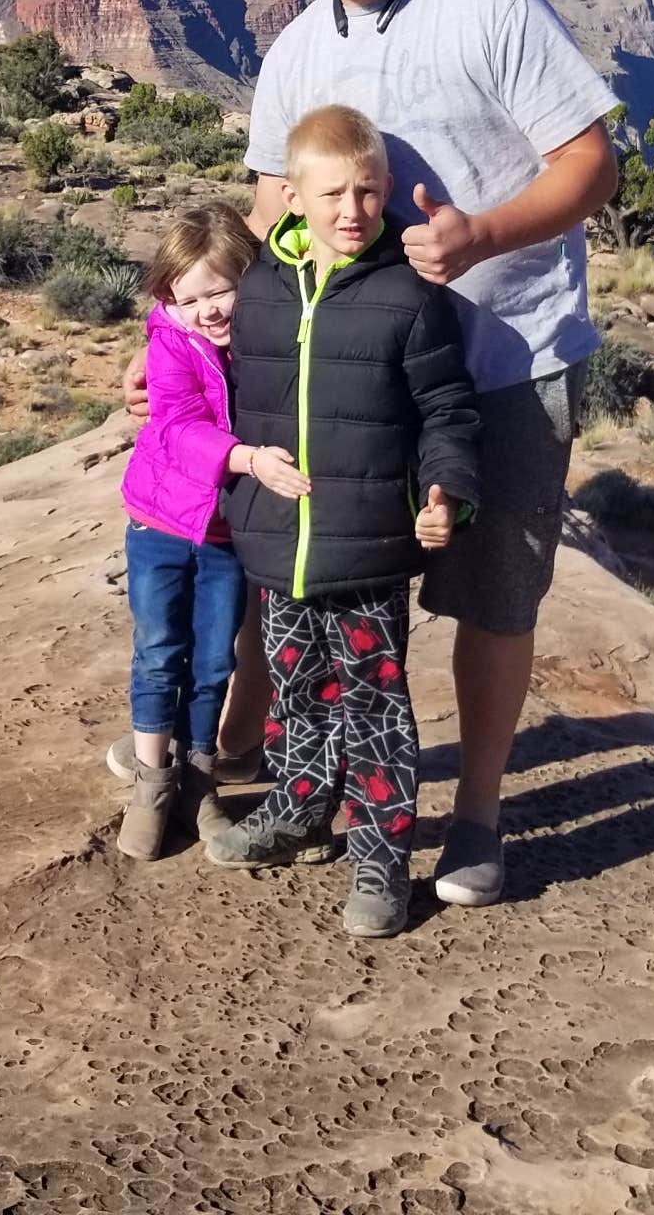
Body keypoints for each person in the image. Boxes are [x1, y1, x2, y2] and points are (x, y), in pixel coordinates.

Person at [130, 0, 621, 909]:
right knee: (306, 573)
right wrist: (180, 340)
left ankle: (479, 820)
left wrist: (481, 235)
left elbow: (593, 164)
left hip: (503, 360)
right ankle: (280, 779)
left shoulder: (487, 4)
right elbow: (261, 220)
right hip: (342, 380)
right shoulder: (299, 50)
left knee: (492, 596)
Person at [200, 104, 482, 938]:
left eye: (367, 191)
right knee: (293, 686)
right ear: (291, 196)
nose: (351, 211)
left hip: (368, 544)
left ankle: (382, 861)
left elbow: (447, 411)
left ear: (388, 190)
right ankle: (298, 811)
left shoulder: (409, 294)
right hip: (278, 539)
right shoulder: (257, 290)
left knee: (375, 703)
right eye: (331, 194)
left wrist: (445, 494)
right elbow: (224, 385)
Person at [111, 201, 309, 860]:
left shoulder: (266, 341)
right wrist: (246, 459)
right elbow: (175, 426)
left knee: (215, 657)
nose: (210, 309)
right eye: (191, 297)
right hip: (162, 523)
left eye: (222, 290)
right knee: (160, 647)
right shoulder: (171, 345)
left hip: (228, 532)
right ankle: (152, 783)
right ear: (170, 298)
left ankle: (200, 782)